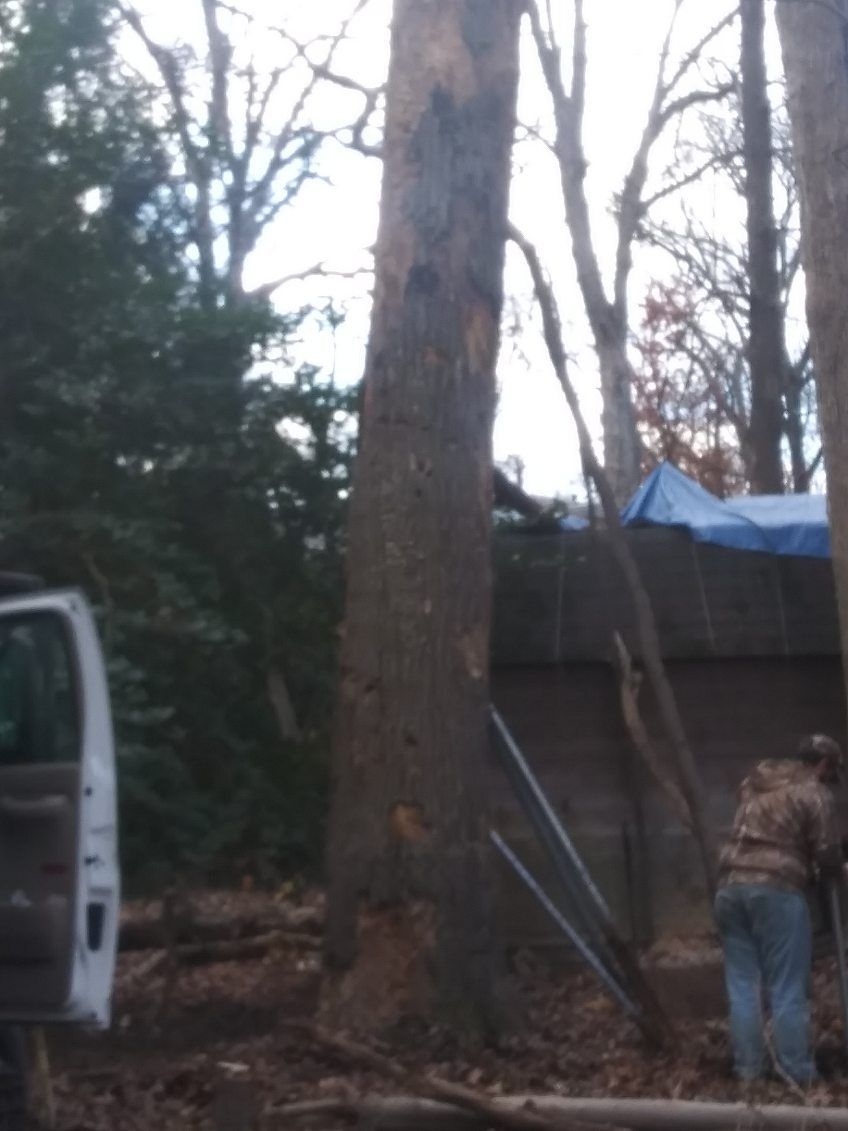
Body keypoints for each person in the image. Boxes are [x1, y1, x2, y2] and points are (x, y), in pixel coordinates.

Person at [715, 733, 844, 1085]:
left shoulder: (755, 783)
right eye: (832, 773)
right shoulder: (813, 792)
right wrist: (834, 869)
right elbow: (828, 853)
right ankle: (795, 1072)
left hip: (729, 889)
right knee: (788, 985)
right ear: (824, 765)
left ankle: (749, 1071)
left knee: (744, 985)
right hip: (776, 890)